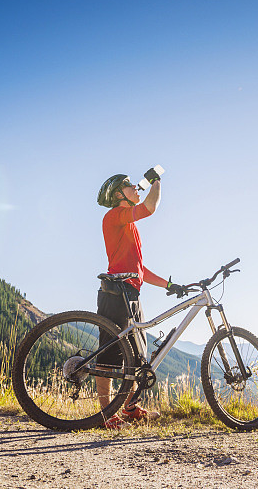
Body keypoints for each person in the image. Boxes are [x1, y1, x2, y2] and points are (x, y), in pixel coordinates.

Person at [95, 171, 187, 429]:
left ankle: (129, 407)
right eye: (129, 186)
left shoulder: (130, 225)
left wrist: (170, 285)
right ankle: (107, 415)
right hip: (116, 291)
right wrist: (156, 181)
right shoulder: (114, 216)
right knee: (109, 356)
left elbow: (140, 270)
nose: (136, 187)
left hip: (131, 292)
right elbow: (149, 208)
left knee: (137, 355)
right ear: (117, 194)